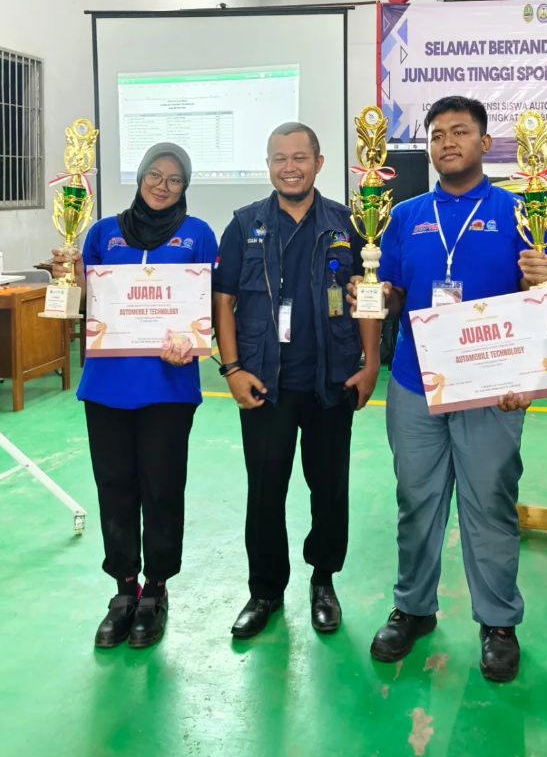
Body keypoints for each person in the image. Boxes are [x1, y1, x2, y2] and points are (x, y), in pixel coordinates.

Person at [347, 96, 547, 683]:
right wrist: (374, 294)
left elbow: (535, 297)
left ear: (484, 143)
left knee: (489, 505)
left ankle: (498, 623)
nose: (447, 143)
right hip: (415, 384)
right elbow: (390, 292)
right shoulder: (404, 215)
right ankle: (413, 608)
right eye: (437, 135)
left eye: (460, 132)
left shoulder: (519, 211)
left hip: (490, 386)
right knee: (416, 501)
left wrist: (530, 375)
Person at [213, 122, 381, 639]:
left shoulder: (349, 224)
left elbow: (369, 294)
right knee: (265, 491)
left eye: (299, 157)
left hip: (332, 382)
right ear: (268, 165)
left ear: (319, 162)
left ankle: (323, 581)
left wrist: (370, 363)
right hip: (264, 385)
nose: (290, 167)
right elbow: (223, 300)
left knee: (329, 489)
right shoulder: (244, 225)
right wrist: (232, 369)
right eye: (279, 158)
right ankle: (264, 591)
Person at [52, 143, 218, 649]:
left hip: (169, 388)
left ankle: (157, 589)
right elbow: (86, 302)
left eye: (174, 178)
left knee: (163, 490)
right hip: (106, 386)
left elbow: (209, 305)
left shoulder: (198, 234)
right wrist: (67, 276)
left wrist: (195, 341)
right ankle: (125, 589)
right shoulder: (103, 232)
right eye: (154, 174)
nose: (162, 185)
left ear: (185, 186)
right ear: (141, 176)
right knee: (115, 488)